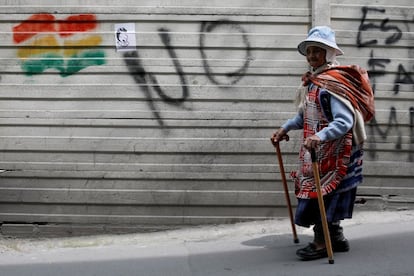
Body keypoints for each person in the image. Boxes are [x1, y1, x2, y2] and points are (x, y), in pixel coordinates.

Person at [271, 26, 374, 261]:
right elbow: (304, 116)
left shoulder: (332, 84)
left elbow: (344, 121)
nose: (312, 56)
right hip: (319, 150)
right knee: (321, 193)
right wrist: (284, 128)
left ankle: (321, 243)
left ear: (329, 54)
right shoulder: (315, 82)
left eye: (317, 51)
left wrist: (320, 136)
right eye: (309, 51)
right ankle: (335, 238)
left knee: (325, 196)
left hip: (337, 151)